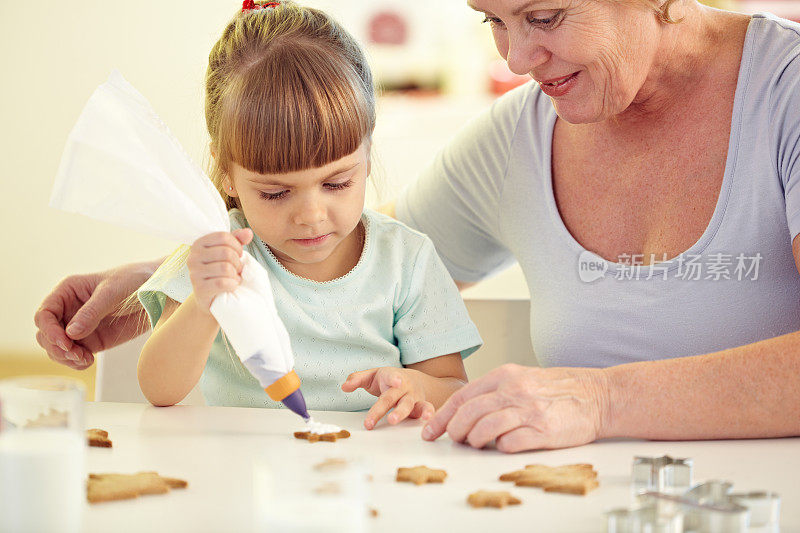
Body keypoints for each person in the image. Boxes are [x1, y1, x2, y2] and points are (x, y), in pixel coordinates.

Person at [36, 0, 800, 452]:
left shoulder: (786, 90)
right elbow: (337, 244)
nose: (519, 56)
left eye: (543, 15)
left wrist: (600, 399)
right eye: (491, 19)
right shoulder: (521, 136)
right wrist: (166, 278)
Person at [66, 1, 483, 429]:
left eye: (337, 183)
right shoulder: (218, 252)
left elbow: (452, 387)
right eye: (276, 193)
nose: (311, 215)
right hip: (247, 476)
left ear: (368, 151)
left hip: (367, 479)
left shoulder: (406, 259)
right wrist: (204, 305)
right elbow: (159, 389)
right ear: (227, 174)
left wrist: (417, 388)